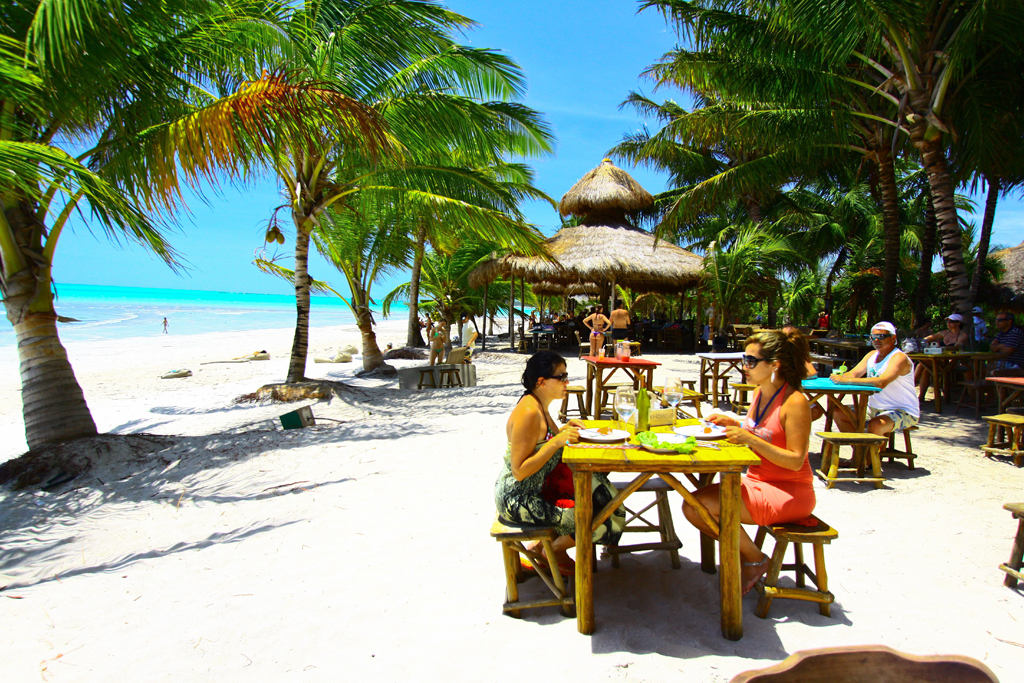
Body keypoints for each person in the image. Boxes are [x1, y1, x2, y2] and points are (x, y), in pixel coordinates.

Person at [682, 329, 815, 595]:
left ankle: (754, 559)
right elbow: (761, 429)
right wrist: (734, 423)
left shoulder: (795, 402)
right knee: (691, 505)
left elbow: (794, 461)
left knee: (699, 507)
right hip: (757, 480)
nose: (745, 366)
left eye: (751, 361)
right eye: (745, 359)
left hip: (788, 489)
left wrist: (749, 439)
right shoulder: (760, 393)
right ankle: (749, 555)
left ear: (774, 365)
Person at [494, 352, 624, 575]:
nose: (567, 382)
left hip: (540, 487)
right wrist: (556, 442)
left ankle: (545, 548)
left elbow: (544, 441)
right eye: (561, 377)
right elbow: (519, 471)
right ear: (541, 382)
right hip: (518, 497)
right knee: (592, 514)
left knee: (608, 500)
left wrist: (563, 430)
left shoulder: (538, 404)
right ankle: (552, 550)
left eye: (566, 376)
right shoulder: (528, 412)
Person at [830, 321, 919, 436]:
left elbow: (881, 382)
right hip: (873, 408)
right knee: (838, 413)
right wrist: (839, 376)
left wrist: (846, 380)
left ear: (893, 338)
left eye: (881, 336)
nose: (876, 340)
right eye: (873, 337)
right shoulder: (871, 355)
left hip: (902, 411)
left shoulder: (899, 357)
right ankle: (860, 451)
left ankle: (871, 453)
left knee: (876, 425)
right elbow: (853, 374)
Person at [914, 313, 968, 400]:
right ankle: (920, 396)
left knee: (923, 365)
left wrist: (941, 348)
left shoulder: (962, 335)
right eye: (947, 321)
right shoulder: (944, 333)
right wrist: (928, 343)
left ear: (959, 323)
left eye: (952, 321)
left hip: (951, 362)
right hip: (938, 360)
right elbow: (928, 338)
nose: (949, 323)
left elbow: (957, 346)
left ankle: (912, 386)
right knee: (924, 366)